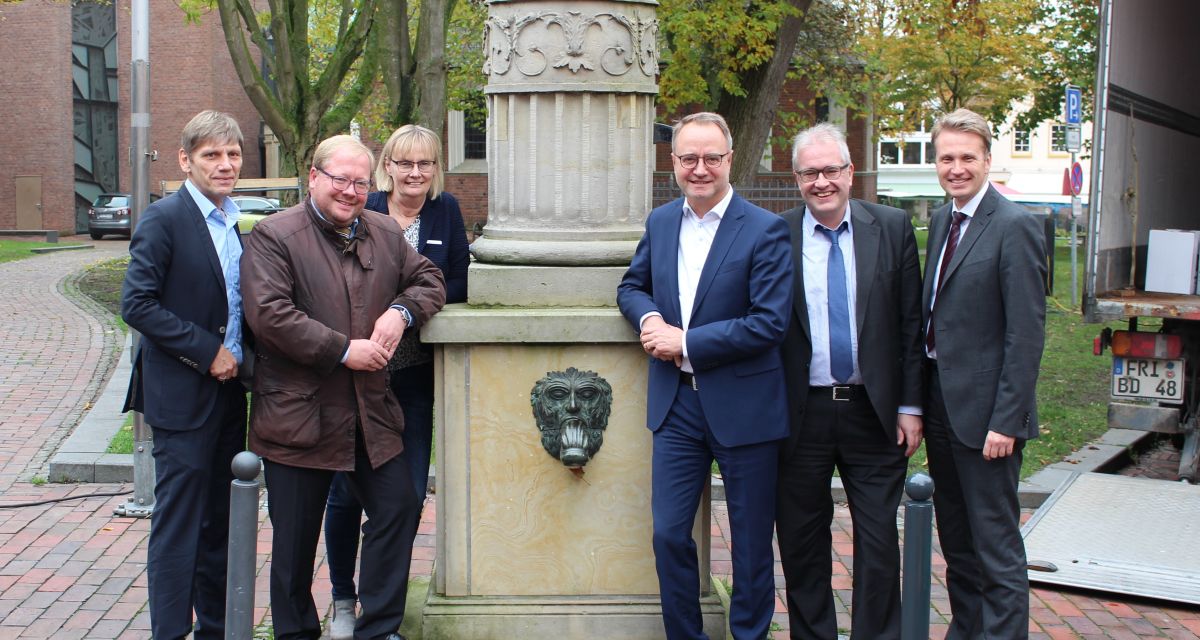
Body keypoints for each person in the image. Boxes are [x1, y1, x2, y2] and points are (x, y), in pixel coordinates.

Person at [240, 134, 446, 640]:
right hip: (299, 416)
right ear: (314, 177)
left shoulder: (383, 231)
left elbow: (430, 280)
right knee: (294, 542)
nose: (351, 191)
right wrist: (342, 350)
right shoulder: (274, 235)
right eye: (340, 179)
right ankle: (296, 632)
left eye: (360, 182)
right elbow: (269, 316)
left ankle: (377, 628)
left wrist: (401, 312)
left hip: (369, 412)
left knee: (398, 507)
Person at [616, 112, 793, 640]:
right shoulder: (661, 222)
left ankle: (749, 634)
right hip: (677, 406)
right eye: (688, 158)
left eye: (711, 158)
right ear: (672, 162)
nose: (700, 169)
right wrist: (649, 318)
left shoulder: (765, 229)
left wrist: (686, 342)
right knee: (669, 534)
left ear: (729, 159)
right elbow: (632, 286)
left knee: (751, 542)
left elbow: (769, 323)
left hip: (746, 406)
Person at [774, 123, 924, 640]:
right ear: (797, 178)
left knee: (880, 541)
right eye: (810, 173)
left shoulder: (892, 227)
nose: (822, 182)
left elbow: (910, 324)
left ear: (850, 171)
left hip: (874, 412)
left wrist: (911, 406)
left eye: (831, 170)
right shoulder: (776, 234)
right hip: (800, 413)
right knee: (801, 542)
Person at [323, 124, 470, 639]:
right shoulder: (364, 207)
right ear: (387, 166)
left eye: (424, 163)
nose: (414, 173)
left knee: (405, 493)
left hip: (413, 376)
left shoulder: (445, 210)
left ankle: (381, 607)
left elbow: (458, 279)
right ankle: (343, 597)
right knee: (347, 492)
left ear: (436, 168)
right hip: (357, 375)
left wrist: (405, 305)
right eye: (404, 163)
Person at [120, 110, 249, 639]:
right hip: (181, 398)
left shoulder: (232, 220)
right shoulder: (164, 219)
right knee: (178, 529)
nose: (225, 164)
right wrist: (207, 350)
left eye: (233, 154)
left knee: (218, 524)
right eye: (211, 155)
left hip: (228, 397)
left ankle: (213, 631)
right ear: (184, 160)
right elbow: (137, 304)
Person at [922, 108, 1046, 639]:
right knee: (957, 543)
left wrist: (1006, 420)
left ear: (988, 160)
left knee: (995, 547)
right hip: (943, 409)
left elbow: (1026, 334)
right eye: (946, 158)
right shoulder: (941, 221)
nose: (956, 168)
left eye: (967, 157)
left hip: (989, 419)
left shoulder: (1014, 227)